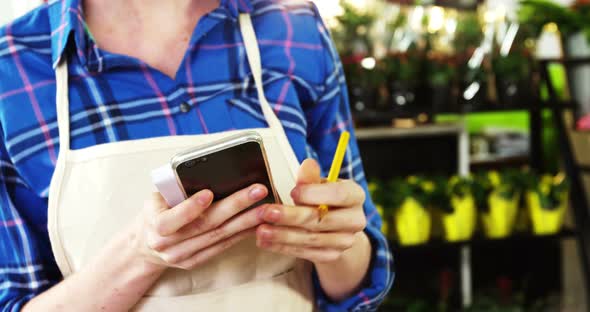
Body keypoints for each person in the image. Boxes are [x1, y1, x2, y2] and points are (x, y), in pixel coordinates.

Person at [0, 0, 394, 311]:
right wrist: (141, 254)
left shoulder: (293, 26)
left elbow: (357, 280)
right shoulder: (11, 68)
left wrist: (336, 240)